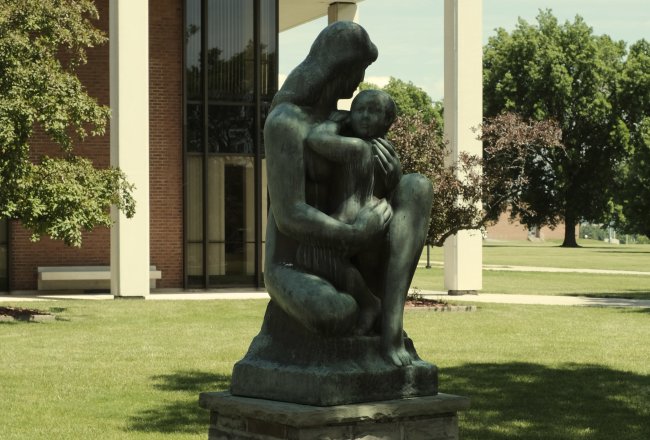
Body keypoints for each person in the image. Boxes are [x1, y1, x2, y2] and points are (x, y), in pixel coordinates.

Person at [264, 21, 433, 367]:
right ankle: (364, 309)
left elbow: (375, 187)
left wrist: (391, 168)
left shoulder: (349, 120)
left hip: (355, 251)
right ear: (338, 69)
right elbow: (289, 214)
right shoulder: (285, 123)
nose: (359, 82)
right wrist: (353, 234)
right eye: (359, 71)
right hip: (297, 260)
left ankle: (391, 329)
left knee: (417, 187)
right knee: (337, 314)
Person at [297, 90, 397, 335]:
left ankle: (369, 304)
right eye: (358, 110)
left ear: (387, 121)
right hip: (363, 219)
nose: (364, 116)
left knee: (307, 254)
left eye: (373, 111)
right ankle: (370, 304)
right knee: (319, 258)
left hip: (358, 220)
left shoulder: (356, 147)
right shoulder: (378, 148)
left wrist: (334, 122)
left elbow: (316, 140)